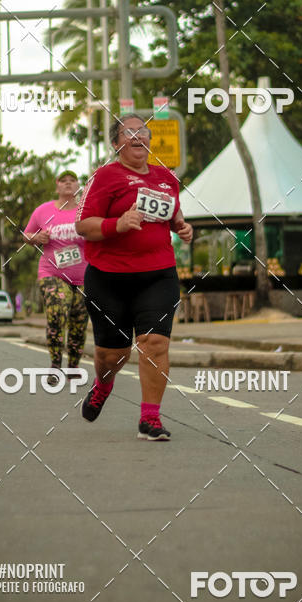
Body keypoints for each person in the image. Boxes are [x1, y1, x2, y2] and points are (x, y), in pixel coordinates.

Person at [76, 114, 193, 441]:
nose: (138, 135)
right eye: (129, 132)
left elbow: (174, 215)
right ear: (116, 144)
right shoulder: (105, 177)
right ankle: (103, 384)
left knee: (154, 344)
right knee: (112, 355)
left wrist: (182, 227)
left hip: (158, 276)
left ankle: (149, 419)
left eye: (143, 130)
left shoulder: (166, 177)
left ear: (150, 139)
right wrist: (118, 224)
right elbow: (83, 226)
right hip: (108, 278)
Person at [24, 170, 88, 372]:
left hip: (83, 277)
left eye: (72, 180)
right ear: (57, 186)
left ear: (78, 185)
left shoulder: (86, 211)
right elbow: (26, 235)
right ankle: (55, 363)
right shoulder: (43, 210)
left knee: (79, 322)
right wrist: (37, 238)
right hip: (52, 272)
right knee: (57, 312)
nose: (68, 183)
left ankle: (73, 366)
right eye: (64, 181)